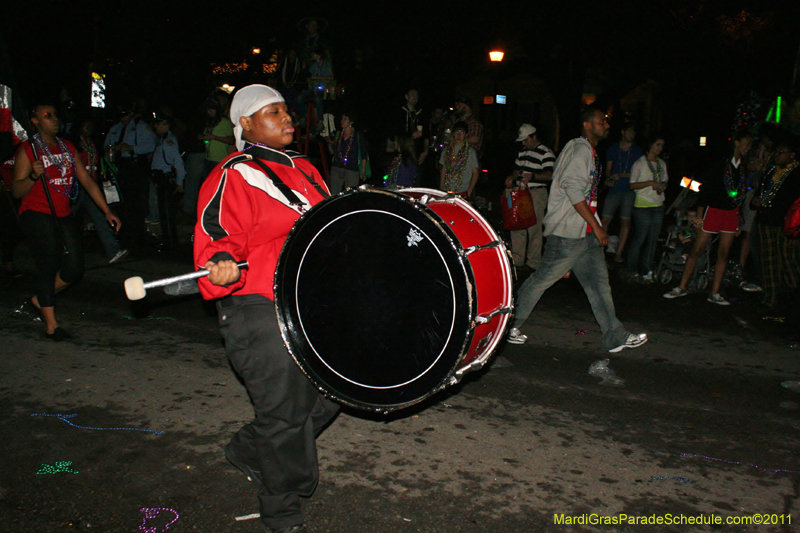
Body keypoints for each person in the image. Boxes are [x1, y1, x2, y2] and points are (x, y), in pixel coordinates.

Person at [193, 84, 339, 533]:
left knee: (335, 394)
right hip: (258, 304)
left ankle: (249, 447)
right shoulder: (232, 174)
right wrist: (218, 261)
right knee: (285, 415)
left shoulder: (307, 169)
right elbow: (219, 235)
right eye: (271, 112)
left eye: (285, 110)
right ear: (246, 125)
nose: (286, 117)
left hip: (307, 302)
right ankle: (281, 510)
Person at [505, 104, 648, 353]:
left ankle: (614, 336)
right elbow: (572, 190)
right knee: (541, 280)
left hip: (584, 233)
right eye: (601, 121)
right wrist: (598, 226)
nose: (607, 125)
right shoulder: (579, 149)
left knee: (598, 284)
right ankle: (507, 326)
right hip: (568, 233)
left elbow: (584, 193)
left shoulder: (587, 151)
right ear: (587, 125)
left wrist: (595, 227)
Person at [13, 103, 121, 340]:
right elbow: (17, 191)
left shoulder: (68, 147)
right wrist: (32, 175)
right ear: (35, 121)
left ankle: (40, 299)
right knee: (48, 262)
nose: (54, 120)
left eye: (55, 115)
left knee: (74, 268)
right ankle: (51, 325)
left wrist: (106, 211)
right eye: (47, 116)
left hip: (63, 213)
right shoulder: (28, 150)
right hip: (36, 212)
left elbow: (87, 180)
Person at [663, 130, 753, 305]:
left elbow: (740, 196)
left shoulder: (743, 167)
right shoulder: (720, 164)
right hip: (713, 211)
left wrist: (738, 221)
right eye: (746, 143)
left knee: (724, 253)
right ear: (737, 142)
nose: (748, 148)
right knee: (697, 249)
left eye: (750, 145)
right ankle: (682, 286)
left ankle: (715, 292)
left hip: (731, 213)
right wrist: (699, 215)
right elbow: (704, 190)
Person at [750, 137, 800, 309]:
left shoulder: (796, 174)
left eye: (781, 153)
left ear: (792, 155)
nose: (777, 156)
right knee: (768, 259)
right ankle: (770, 297)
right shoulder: (771, 171)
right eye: (776, 152)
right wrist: (756, 201)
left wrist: (797, 232)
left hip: (786, 224)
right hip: (766, 219)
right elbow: (760, 192)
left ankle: (796, 295)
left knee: (788, 260)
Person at [72, 117, 127, 263]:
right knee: (67, 218)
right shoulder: (73, 144)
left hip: (91, 187)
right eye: (85, 125)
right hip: (76, 187)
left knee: (101, 217)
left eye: (91, 126)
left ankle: (113, 250)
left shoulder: (93, 143)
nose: (88, 128)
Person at [504, 124, 555, 271]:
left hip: (536, 192)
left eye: (526, 140)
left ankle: (533, 262)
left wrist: (533, 177)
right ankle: (518, 258)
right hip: (520, 191)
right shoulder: (523, 151)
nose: (523, 143)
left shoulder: (546, 153)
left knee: (534, 227)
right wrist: (512, 177)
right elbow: (516, 169)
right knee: (517, 224)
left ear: (534, 136)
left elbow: (550, 175)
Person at [104, 106, 156, 244]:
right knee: (120, 199)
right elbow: (106, 145)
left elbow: (151, 145)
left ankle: (137, 233)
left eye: (126, 115)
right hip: (119, 166)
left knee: (136, 201)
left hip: (135, 165)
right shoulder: (115, 128)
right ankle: (123, 231)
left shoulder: (141, 127)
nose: (123, 118)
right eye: (121, 116)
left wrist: (132, 148)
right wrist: (112, 150)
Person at [626, 135, 668, 282]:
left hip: (658, 205)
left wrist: (661, 185)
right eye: (657, 144)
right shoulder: (640, 163)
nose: (660, 148)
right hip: (643, 206)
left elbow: (665, 181)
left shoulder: (661, 163)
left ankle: (647, 269)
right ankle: (631, 269)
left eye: (662, 145)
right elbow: (632, 184)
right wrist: (649, 183)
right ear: (650, 145)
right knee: (640, 238)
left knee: (653, 240)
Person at [601, 123, 643, 263]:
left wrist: (622, 175)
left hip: (629, 191)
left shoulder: (637, 151)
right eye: (629, 132)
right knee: (605, 220)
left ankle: (619, 253)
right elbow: (608, 169)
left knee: (625, 221)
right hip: (614, 189)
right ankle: (599, 250)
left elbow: (639, 173)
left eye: (633, 132)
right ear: (623, 132)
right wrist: (609, 178)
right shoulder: (613, 148)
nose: (632, 135)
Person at [150, 114, 186, 249]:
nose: (155, 127)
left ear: (166, 126)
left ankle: (170, 243)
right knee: (164, 211)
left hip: (166, 178)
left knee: (167, 212)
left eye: (158, 124)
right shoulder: (162, 139)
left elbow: (177, 161)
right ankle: (168, 240)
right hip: (161, 178)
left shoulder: (167, 141)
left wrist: (179, 182)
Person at [327, 111, 368, 194]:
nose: (342, 121)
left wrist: (363, 171)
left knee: (350, 195)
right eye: (342, 119)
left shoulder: (357, 135)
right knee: (334, 195)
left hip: (351, 169)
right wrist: (329, 143)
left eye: (345, 119)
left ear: (351, 122)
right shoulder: (338, 134)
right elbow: (332, 152)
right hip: (337, 168)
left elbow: (363, 154)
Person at [438, 121, 479, 198]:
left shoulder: (470, 151)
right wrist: (441, 189)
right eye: (457, 132)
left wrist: (469, 192)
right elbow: (443, 171)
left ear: (466, 135)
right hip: (447, 190)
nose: (459, 135)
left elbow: (475, 173)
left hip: (462, 191)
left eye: (462, 133)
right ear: (453, 134)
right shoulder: (447, 150)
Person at [201, 97, 234, 179]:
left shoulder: (225, 122)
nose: (209, 112)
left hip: (219, 159)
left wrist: (214, 137)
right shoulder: (209, 122)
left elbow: (231, 140)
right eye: (208, 110)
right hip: (208, 158)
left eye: (211, 110)